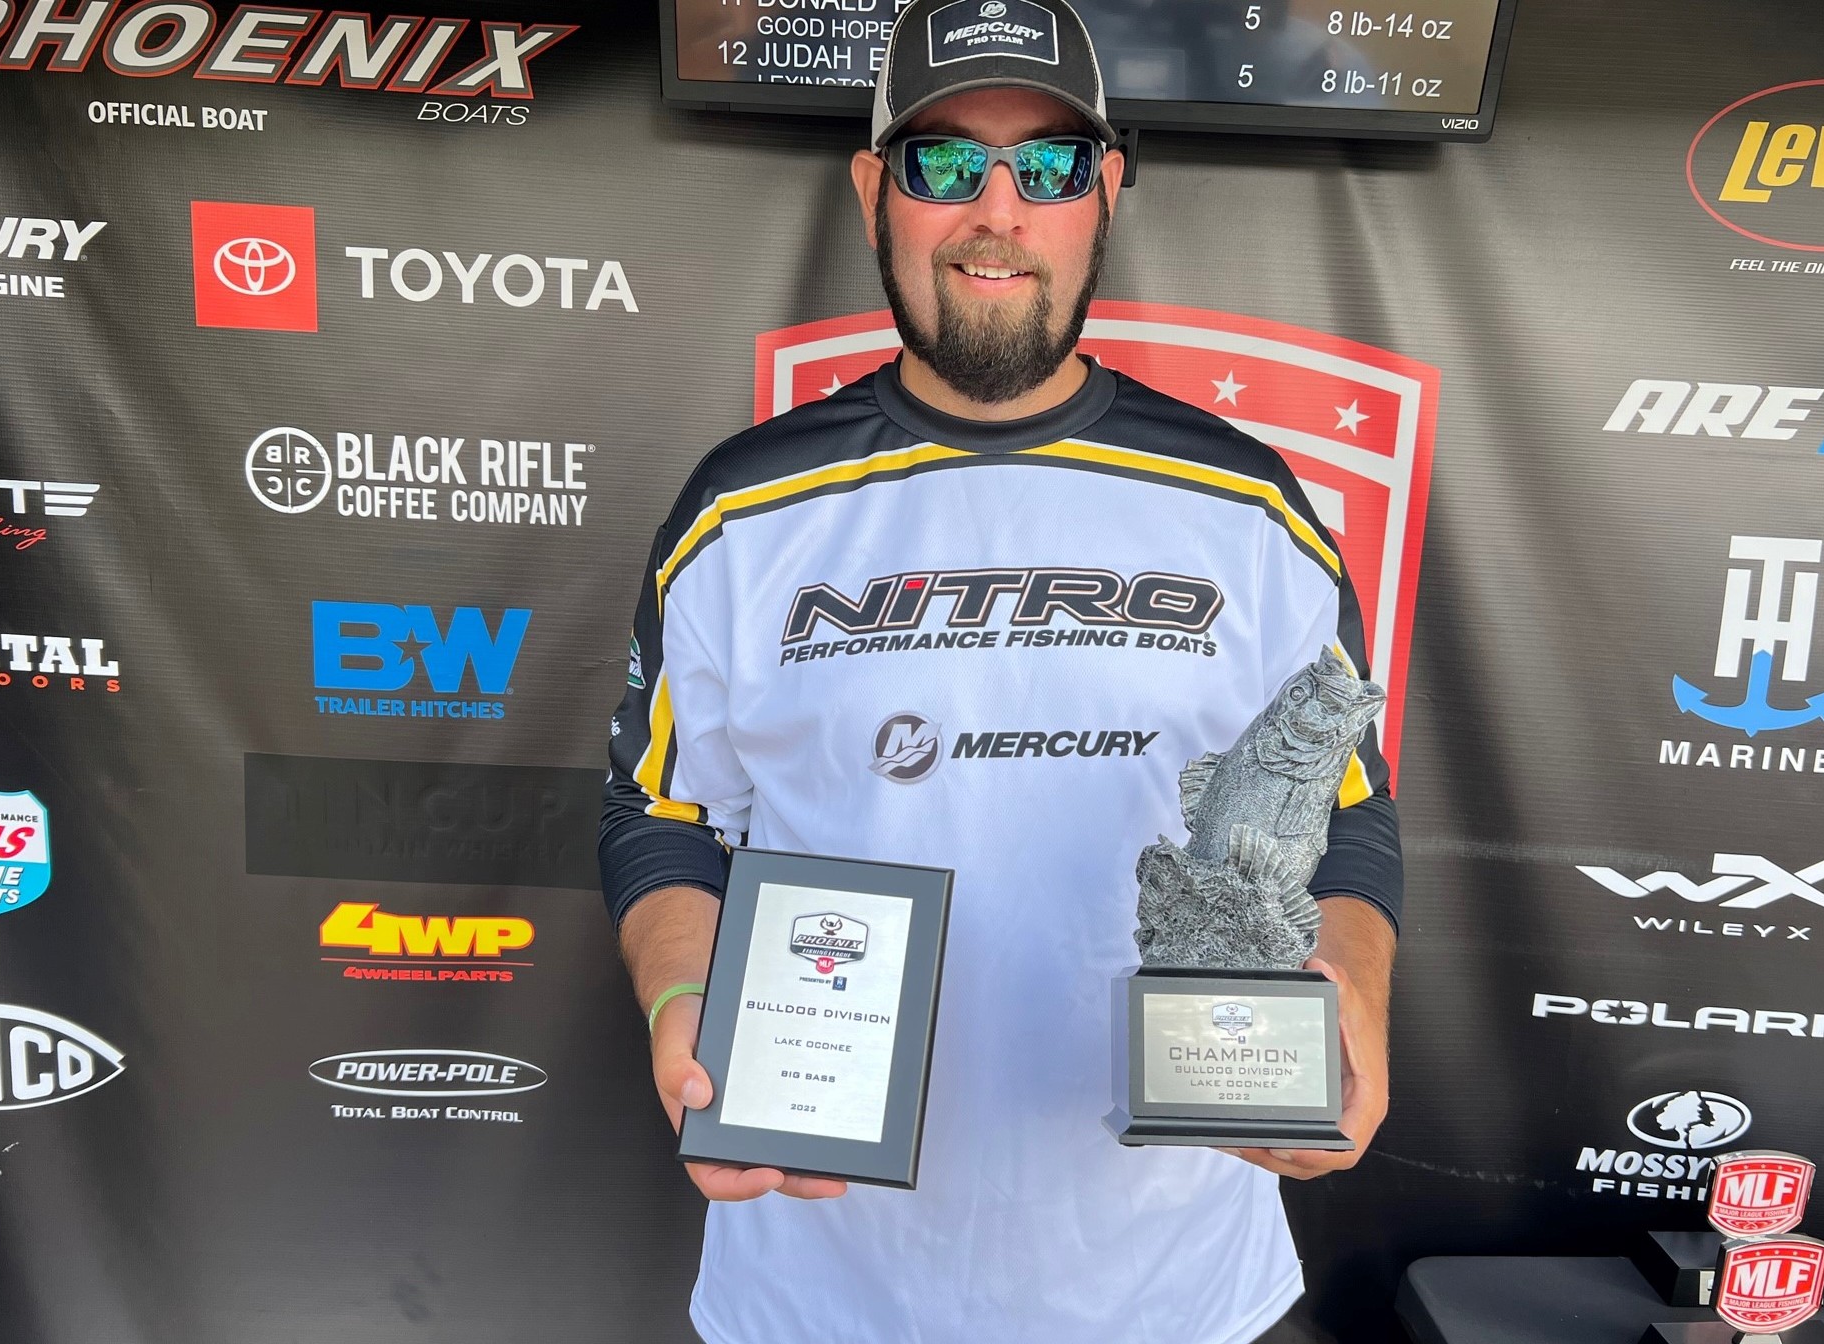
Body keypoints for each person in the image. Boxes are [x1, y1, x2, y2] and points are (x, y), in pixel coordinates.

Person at [598, 1, 1402, 1339]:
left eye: (1050, 166)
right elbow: (660, 812)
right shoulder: (739, 514)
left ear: (1106, 192)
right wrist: (685, 998)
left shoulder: (1251, 511)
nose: (997, 211)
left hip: (1168, 1288)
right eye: (943, 162)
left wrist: (1353, 995)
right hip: (819, 1282)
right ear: (874, 191)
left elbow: (1346, 812)